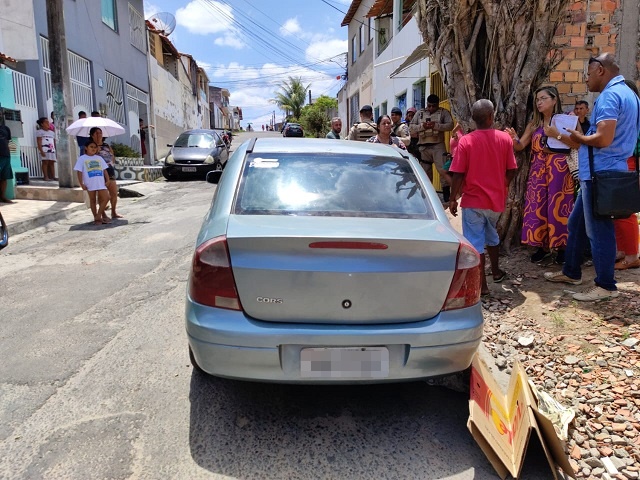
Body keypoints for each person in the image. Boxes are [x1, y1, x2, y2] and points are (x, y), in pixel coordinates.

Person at [544, 53, 640, 301]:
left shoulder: (609, 95)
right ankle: (571, 272)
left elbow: (603, 139)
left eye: (588, 74)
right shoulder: (629, 93)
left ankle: (605, 285)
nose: (586, 79)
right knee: (576, 224)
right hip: (604, 170)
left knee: (599, 230)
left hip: (600, 173)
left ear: (600, 71)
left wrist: (578, 137)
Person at [449, 99, 518, 297]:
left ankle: (482, 286)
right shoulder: (504, 139)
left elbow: (458, 174)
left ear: (474, 119)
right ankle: (496, 272)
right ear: (491, 116)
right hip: (495, 202)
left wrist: (453, 198)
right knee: (492, 235)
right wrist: (501, 185)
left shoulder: (466, 141)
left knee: (475, 243)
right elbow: (512, 170)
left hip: (473, 201)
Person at [505, 85, 577, 264]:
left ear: (554, 100)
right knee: (538, 207)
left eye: (543, 98)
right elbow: (521, 146)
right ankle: (542, 247)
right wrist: (514, 138)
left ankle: (561, 248)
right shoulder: (534, 123)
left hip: (560, 170)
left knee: (559, 207)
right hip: (538, 170)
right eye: (537, 99)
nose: (539, 102)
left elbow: (578, 143)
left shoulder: (567, 119)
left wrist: (557, 135)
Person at [613, 79, 640, 270]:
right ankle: (623, 251)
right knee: (617, 211)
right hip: (623, 163)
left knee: (625, 212)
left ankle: (632, 256)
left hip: (631, 164)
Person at [409, 94, 454, 200]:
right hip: (424, 147)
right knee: (425, 173)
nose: (431, 108)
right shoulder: (420, 113)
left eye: (434, 106)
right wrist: (422, 126)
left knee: (443, 171)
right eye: (429, 106)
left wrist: (436, 126)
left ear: (437, 105)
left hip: (438, 145)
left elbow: (450, 125)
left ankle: (447, 197)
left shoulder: (443, 112)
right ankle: (427, 198)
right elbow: (411, 127)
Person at [74, 141, 111, 225]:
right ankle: (96, 218)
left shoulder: (99, 158)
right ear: (86, 148)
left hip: (100, 182)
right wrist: (81, 183)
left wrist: (107, 179)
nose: (93, 149)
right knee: (93, 200)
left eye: (95, 147)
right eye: (91, 147)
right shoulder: (82, 158)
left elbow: (104, 170)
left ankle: (98, 215)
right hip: (89, 182)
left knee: (106, 197)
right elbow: (79, 172)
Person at [90, 127, 122, 220]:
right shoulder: (91, 146)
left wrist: (111, 163)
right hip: (99, 172)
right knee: (102, 195)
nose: (99, 135)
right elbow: (89, 157)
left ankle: (114, 212)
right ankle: (103, 214)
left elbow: (112, 155)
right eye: (96, 133)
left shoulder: (106, 145)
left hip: (109, 170)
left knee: (114, 192)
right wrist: (96, 149)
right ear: (92, 135)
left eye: (100, 133)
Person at [36, 117, 57, 181]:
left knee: (52, 162)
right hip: (44, 149)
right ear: (42, 124)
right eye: (46, 122)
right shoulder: (39, 132)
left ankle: (53, 176)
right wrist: (41, 150)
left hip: (51, 149)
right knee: (45, 162)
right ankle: (46, 176)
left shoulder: (52, 133)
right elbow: (39, 141)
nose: (48, 123)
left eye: (48, 122)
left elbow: (54, 142)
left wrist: (55, 149)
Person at [0, 113, 13, 203]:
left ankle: (3, 197)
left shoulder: (6, 128)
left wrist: (9, 153)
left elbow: (7, 142)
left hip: (6, 156)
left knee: (4, 177)